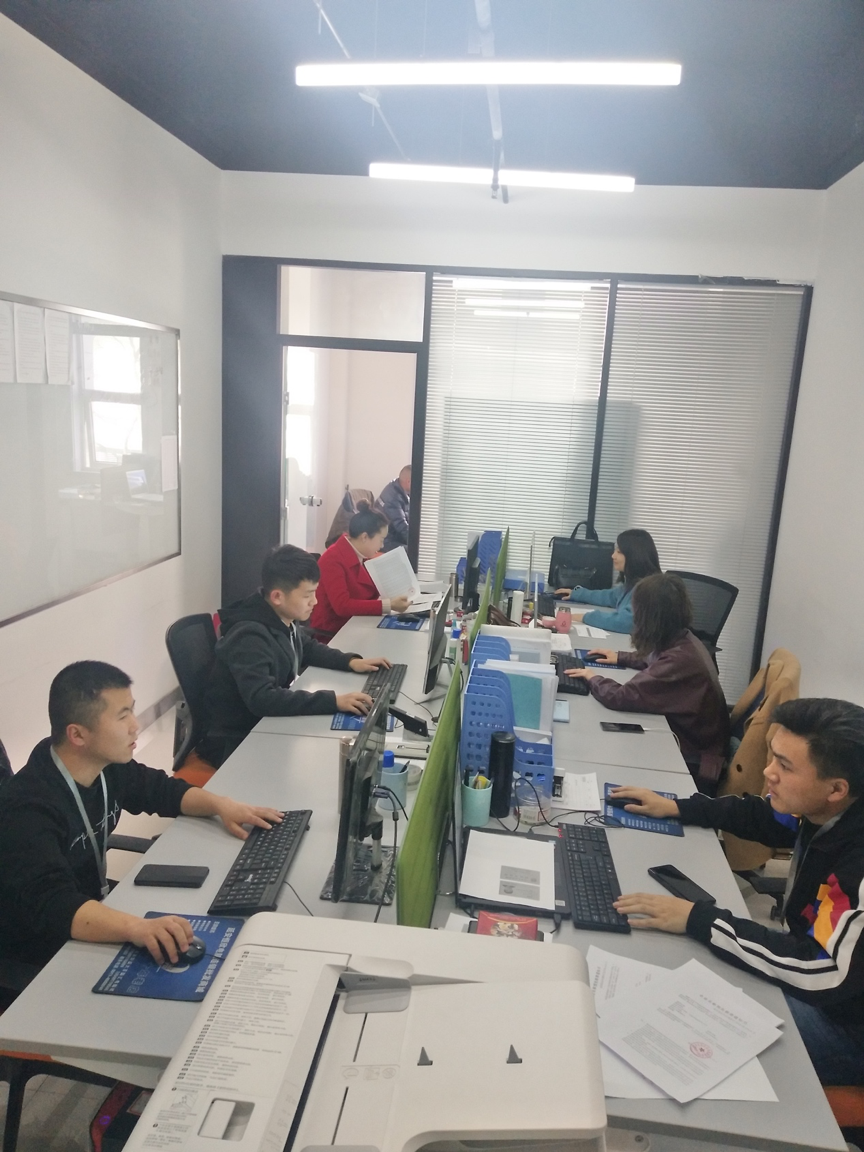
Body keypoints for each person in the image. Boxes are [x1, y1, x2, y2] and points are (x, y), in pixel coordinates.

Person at [608, 697, 864, 1087]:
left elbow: (825, 970)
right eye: (773, 756)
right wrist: (679, 808)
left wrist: (698, 918)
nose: (767, 772)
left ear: (836, 789)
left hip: (845, 1025)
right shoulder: (829, 807)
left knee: (692, 1022)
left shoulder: (858, 865)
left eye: (784, 766)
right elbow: (766, 817)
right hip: (826, 978)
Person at [0, 661, 283, 979]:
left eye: (132, 711)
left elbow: (162, 791)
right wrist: (137, 927)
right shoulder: (26, 810)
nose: (135, 726)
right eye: (122, 717)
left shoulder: (103, 765)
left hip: (92, 909)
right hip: (40, 948)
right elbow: (53, 905)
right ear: (77, 734)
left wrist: (222, 805)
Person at [199, 545, 390, 767]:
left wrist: (350, 661)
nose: (315, 601)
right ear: (277, 596)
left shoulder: (278, 616)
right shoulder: (249, 636)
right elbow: (263, 699)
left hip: (264, 725)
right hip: (236, 740)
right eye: (307, 595)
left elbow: (307, 647)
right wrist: (333, 701)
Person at [568, 572, 729, 785]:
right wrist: (620, 657)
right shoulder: (683, 639)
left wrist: (591, 676)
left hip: (692, 758)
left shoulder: (679, 661)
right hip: (688, 738)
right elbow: (656, 658)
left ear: (650, 617)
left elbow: (620, 697)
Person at [310, 503, 412, 640]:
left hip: (359, 623)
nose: (382, 545)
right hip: (335, 633)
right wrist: (389, 604)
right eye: (381, 540)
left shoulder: (361, 555)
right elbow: (342, 606)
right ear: (364, 537)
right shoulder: (332, 559)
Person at [556, 528, 660, 634]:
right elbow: (608, 596)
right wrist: (578, 594)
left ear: (634, 555)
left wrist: (584, 617)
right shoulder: (632, 585)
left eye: (619, 552)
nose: (613, 556)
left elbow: (626, 622)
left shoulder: (650, 590)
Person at [376, 465, 411, 552]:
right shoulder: (393, 498)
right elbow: (401, 525)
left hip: (394, 534)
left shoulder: (399, 487)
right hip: (385, 539)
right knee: (412, 551)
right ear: (408, 481)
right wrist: (416, 543)